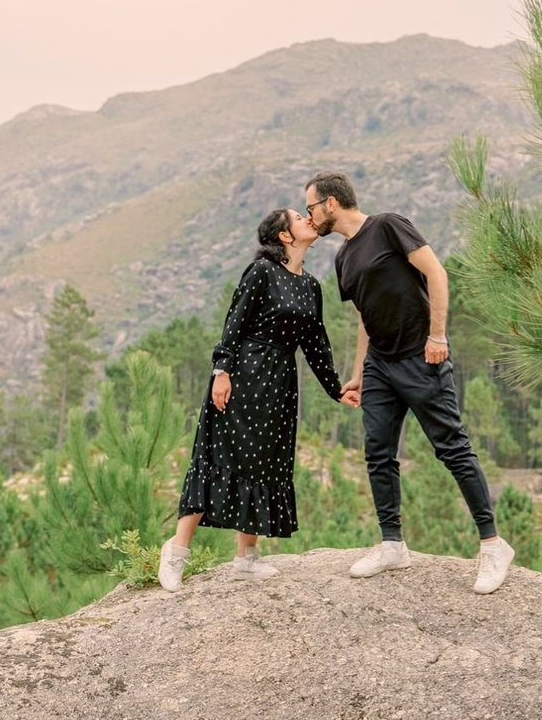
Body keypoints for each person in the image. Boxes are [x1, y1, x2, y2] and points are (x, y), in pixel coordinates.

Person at [303, 170, 514, 594]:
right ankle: (393, 544)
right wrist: (361, 372)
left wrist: (438, 335)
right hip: (380, 364)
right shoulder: (342, 257)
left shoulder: (387, 226)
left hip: (421, 356)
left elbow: (436, 273)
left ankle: (492, 544)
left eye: (310, 207)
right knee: (378, 453)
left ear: (330, 204)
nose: (310, 216)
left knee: (451, 447)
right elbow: (365, 316)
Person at [158, 204, 342, 591]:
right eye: (298, 217)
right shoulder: (262, 271)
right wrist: (221, 372)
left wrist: (338, 389)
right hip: (244, 375)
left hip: (280, 384)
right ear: (284, 236)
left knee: (264, 463)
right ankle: (176, 552)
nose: (308, 218)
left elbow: (315, 344)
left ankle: (247, 557)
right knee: (219, 458)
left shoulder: (310, 285)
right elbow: (234, 321)